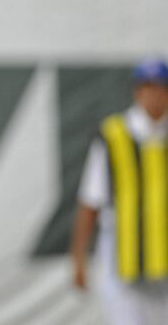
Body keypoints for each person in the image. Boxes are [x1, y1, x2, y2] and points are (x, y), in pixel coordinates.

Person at [71, 58, 168, 325]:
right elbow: (90, 201)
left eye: (160, 87)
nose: (154, 94)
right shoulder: (114, 135)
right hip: (124, 265)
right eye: (147, 87)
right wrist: (78, 259)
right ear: (136, 92)